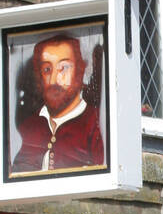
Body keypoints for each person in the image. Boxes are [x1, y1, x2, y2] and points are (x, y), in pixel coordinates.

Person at [11, 35, 104, 174]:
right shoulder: (29, 127)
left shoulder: (96, 124)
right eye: (47, 69)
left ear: (80, 72)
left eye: (63, 68)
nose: (54, 80)